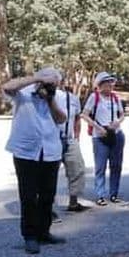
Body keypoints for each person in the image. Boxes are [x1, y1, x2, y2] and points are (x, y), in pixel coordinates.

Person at [2, 66, 67, 254]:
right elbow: (7, 87)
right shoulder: (23, 92)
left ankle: (44, 232)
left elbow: (61, 119)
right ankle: (30, 236)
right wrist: (37, 79)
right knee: (28, 196)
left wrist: (50, 99)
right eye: (48, 81)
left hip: (51, 152)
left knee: (47, 195)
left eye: (54, 82)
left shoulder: (58, 96)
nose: (50, 85)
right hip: (26, 152)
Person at [81, 72, 125, 206]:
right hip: (100, 136)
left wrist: (117, 122)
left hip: (116, 134)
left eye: (111, 82)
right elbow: (84, 114)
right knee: (100, 166)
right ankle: (100, 194)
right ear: (100, 85)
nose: (110, 85)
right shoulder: (94, 97)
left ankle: (114, 193)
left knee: (116, 165)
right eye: (107, 83)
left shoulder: (115, 98)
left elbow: (122, 114)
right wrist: (98, 127)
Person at [55, 78, 90, 213]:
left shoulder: (73, 98)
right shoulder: (48, 97)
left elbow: (77, 118)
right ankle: (47, 208)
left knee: (77, 169)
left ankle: (73, 203)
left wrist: (77, 136)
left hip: (69, 139)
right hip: (52, 140)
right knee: (49, 174)